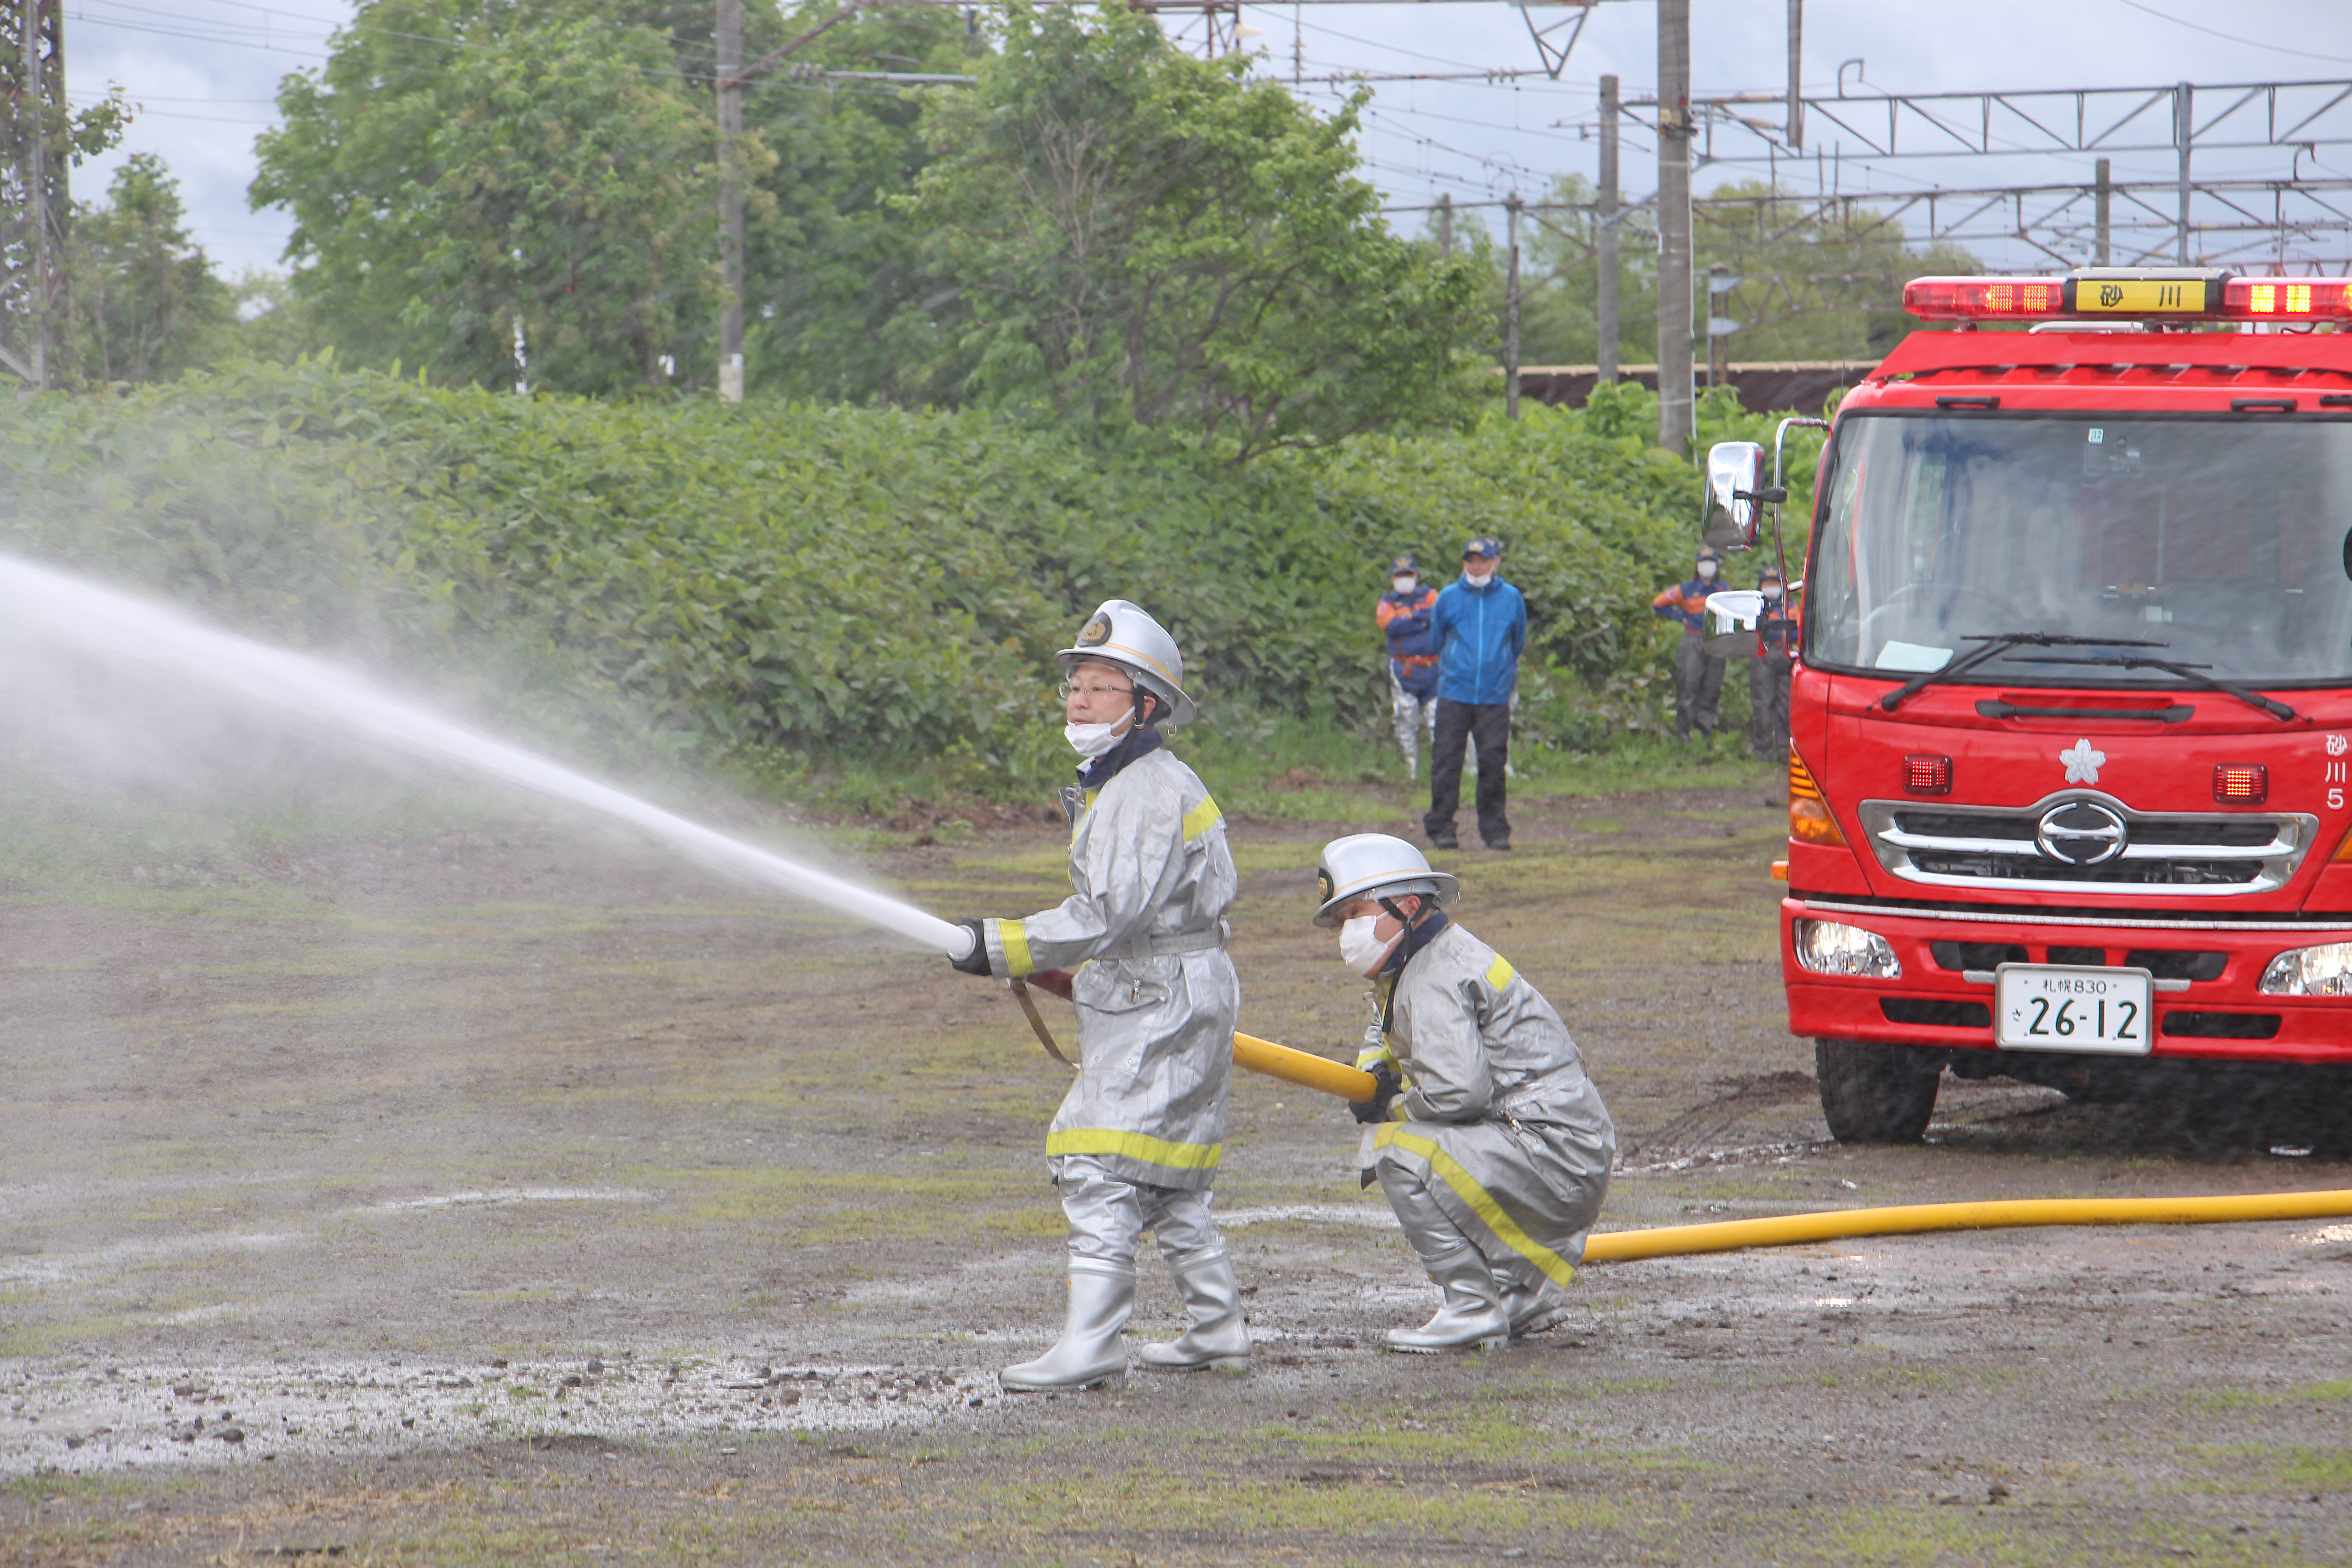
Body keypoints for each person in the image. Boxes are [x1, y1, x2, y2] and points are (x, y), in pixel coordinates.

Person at [944, 600, 1248, 1390]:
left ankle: (1093, 1345)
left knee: (1096, 1158)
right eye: (1073, 686)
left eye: (1099, 687)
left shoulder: (1144, 787)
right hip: (1170, 984)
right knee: (1165, 1171)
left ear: (1144, 705)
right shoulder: (1128, 779)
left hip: (1159, 990)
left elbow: (1112, 910)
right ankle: (1216, 1329)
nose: (1078, 700)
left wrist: (1006, 943)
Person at [1312, 833, 1615, 1351]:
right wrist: (1371, 1071)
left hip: (1552, 1155)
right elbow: (1383, 1029)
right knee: (1418, 1142)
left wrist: (1391, 1107)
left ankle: (1472, 1306)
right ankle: (1522, 1295)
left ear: (1407, 905)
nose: (1349, 931)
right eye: (1342, 921)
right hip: (1565, 1150)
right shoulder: (1419, 962)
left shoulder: (1433, 976)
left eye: (1357, 913)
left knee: (1395, 1150)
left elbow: (1458, 1095)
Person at [1423, 537, 1525, 853]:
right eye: (1471, 560)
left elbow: (1517, 641)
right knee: (1446, 761)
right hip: (1455, 692)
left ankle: (1495, 831)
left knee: (1493, 763)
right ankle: (1442, 828)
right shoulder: (1448, 598)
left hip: (1494, 695)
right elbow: (1436, 638)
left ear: (1496, 562)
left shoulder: (1512, 599)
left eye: (1483, 560)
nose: (1476, 566)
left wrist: (1501, 673)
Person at [1376, 554, 1441, 780]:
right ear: (1392, 578)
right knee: (1406, 719)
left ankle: (1441, 771)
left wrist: (1410, 617)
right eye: (1399, 575)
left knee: (1439, 721)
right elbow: (1390, 626)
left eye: (1408, 575)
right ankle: (1410, 769)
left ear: (1416, 575)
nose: (1404, 579)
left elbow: (1440, 614)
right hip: (1405, 669)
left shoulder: (1430, 595)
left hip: (1434, 668)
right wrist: (1421, 620)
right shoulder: (1387, 602)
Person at [1653, 546, 1729, 740]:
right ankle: (1685, 735)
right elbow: (1658, 604)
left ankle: (1705, 733)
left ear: (1717, 566)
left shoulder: (1723, 589)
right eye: (1704, 563)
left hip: (1716, 640)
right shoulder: (1686, 589)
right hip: (1693, 639)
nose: (1707, 567)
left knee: (1712, 686)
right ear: (1697, 566)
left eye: (1711, 563)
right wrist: (1680, 618)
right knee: (1689, 684)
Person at [1746, 566, 1797, 764]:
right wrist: (1782, 629)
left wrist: (1777, 630)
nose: (1771, 588)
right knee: (1763, 705)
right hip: (1763, 655)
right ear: (1760, 586)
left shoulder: (1792, 606)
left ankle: (1786, 754)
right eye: (1767, 584)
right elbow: (1755, 631)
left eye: (1774, 584)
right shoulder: (1755, 607)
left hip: (1786, 654)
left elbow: (1799, 631)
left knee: (1786, 706)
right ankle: (1763, 753)